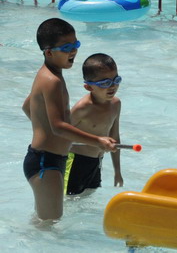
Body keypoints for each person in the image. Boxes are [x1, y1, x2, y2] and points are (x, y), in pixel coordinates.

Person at [22, 18, 116, 221]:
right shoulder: (52, 81)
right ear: (48, 52)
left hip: (45, 159)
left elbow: (28, 106)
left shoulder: (47, 75)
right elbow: (58, 126)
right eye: (66, 47)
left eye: (76, 45)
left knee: (43, 223)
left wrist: (45, 132)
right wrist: (97, 140)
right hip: (46, 162)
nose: (73, 51)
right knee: (49, 225)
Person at [64, 53, 123, 195]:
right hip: (74, 163)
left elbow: (115, 138)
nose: (112, 86)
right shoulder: (82, 108)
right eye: (105, 83)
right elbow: (61, 133)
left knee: (86, 200)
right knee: (67, 203)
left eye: (116, 80)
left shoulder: (116, 104)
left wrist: (117, 171)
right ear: (89, 87)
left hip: (96, 162)